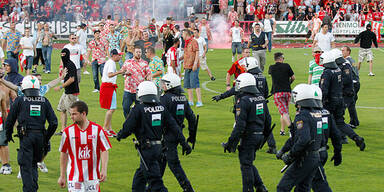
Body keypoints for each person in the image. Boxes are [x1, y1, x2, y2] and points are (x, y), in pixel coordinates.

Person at [117, 81, 191, 192]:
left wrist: (120, 135)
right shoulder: (161, 107)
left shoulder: (138, 109)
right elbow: (174, 126)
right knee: (139, 181)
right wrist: (184, 143)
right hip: (159, 149)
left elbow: (127, 128)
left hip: (147, 151)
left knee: (156, 184)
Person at [5, 75, 58, 192]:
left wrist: (8, 135)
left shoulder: (20, 100)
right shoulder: (44, 101)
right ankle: (34, 188)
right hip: (40, 137)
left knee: (25, 166)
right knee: (34, 164)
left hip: (26, 137)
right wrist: (46, 137)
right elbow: (54, 123)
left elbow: (10, 121)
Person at [222, 73, 270, 192]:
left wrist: (230, 143)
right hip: (259, 135)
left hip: (249, 136)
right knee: (248, 162)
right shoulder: (260, 98)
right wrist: (264, 136)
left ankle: (249, 189)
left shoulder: (243, 101)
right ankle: (260, 186)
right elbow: (268, 119)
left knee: (246, 165)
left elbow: (240, 125)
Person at [276, 83, 323, 192]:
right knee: (303, 188)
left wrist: (290, 154)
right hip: (315, 156)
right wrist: (283, 149)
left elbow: (303, 139)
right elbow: (297, 137)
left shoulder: (302, 116)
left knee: (283, 187)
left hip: (304, 158)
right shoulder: (316, 113)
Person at [58, 101, 111, 192]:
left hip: (92, 178)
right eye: (70, 114)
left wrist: (104, 169)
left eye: (74, 114)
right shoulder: (67, 132)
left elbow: (104, 150)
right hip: (74, 178)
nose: (71, 117)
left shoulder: (97, 130)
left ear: (83, 113)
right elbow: (64, 154)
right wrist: (62, 175)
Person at [318, 51, 365, 151]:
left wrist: (321, 102)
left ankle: (323, 143)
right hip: (339, 99)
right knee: (340, 122)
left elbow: (324, 89)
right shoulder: (338, 70)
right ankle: (356, 138)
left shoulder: (327, 72)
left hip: (330, 102)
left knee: (324, 121)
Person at [159, 73, 196, 192]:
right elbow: (192, 118)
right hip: (178, 133)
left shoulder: (164, 99)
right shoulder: (183, 98)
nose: (162, 85)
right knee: (162, 161)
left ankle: (188, 188)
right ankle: (154, 187)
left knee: (173, 164)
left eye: (164, 83)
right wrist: (191, 135)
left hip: (167, 135)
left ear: (170, 85)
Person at [120, 46, 151, 118]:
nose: (138, 53)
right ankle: (128, 122)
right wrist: (125, 73)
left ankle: (138, 124)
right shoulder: (128, 62)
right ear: (133, 53)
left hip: (139, 91)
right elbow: (122, 72)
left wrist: (149, 78)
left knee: (141, 109)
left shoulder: (145, 63)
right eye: (137, 52)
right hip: (128, 89)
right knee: (125, 107)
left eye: (140, 52)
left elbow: (149, 74)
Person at [268, 52, 295, 136]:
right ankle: (282, 130)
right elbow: (293, 77)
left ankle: (292, 129)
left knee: (284, 112)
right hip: (287, 92)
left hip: (278, 93)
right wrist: (288, 83)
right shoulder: (286, 66)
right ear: (281, 58)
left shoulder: (271, 68)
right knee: (285, 112)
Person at [54, 48, 80, 134]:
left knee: (73, 113)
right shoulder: (66, 64)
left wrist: (60, 87)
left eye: (64, 55)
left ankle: (77, 130)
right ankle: (63, 130)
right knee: (62, 109)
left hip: (71, 92)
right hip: (66, 92)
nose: (62, 57)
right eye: (61, 55)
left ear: (68, 55)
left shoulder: (70, 65)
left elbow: (72, 79)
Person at [100, 49, 123, 138]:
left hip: (109, 86)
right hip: (108, 86)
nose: (120, 57)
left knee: (110, 108)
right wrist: (119, 72)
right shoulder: (111, 63)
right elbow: (110, 75)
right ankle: (105, 129)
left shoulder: (111, 62)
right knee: (111, 109)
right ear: (114, 55)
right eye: (119, 55)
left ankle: (109, 128)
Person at [0, 64, 15, 175]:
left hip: (2, 117)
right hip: (3, 115)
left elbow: (15, 98)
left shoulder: (7, 87)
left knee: (2, 142)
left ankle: (6, 165)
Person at [182, 29, 202, 107]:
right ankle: (190, 100)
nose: (182, 36)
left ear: (186, 34)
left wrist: (195, 63)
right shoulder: (186, 43)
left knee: (195, 83)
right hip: (187, 65)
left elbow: (197, 52)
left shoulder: (193, 41)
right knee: (188, 84)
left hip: (193, 66)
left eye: (183, 34)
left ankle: (199, 101)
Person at [342, 46, 360, 128]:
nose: (341, 52)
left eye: (343, 50)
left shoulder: (346, 61)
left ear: (348, 52)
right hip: (356, 83)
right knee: (351, 103)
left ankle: (352, 122)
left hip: (352, 84)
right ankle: (355, 121)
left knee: (348, 103)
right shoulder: (352, 60)